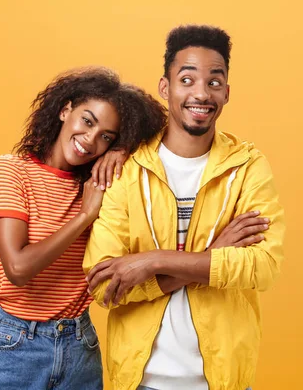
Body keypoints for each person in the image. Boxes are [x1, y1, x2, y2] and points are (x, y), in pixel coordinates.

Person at [84, 25, 286, 390]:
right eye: (187, 79)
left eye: (213, 82)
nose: (201, 93)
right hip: (140, 381)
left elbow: (263, 266)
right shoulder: (127, 169)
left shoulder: (248, 167)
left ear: (226, 92)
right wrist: (213, 256)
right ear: (166, 88)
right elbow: (104, 283)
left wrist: (151, 261)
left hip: (223, 381)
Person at [0, 66, 167, 390]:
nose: (91, 140)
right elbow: (18, 267)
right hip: (13, 345)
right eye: (88, 121)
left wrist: (123, 148)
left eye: (106, 136)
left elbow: (169, 136)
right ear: (64, 110)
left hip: (79, 345)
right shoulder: (12, 171)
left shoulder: (98, 184)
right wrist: (85, 216)